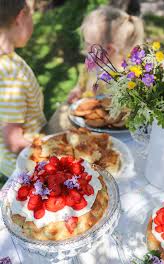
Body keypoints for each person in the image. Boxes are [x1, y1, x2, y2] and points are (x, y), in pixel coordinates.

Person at [45, 5, 144, 134]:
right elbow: (81, 85)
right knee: (55, 127)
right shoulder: (91, 65)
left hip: (113, 133)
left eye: (88, 45)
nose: (85, 50)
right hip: (84, 125)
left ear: (109, 49)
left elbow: (130, 112)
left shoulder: (126, 78)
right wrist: (77, 91)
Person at [0, 0, 47, 177]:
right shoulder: (10, 73)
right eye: (32, 15)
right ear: (20, 17)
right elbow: (14, 141)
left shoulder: (8, 61)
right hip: (25, 164)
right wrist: (54, 154)